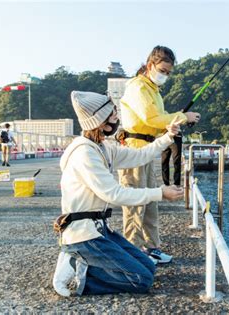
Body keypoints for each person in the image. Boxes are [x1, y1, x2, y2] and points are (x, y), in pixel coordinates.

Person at [52, 91, 184, 297]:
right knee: (142, 280)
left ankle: (85, 262)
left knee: (149, 267)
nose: (117, 119)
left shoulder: (103, 147)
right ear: (101, 122)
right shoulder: (85, 153)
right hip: (83, 235)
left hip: (99, 230)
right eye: (113, 115)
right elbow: (114, 194)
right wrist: (159, 193)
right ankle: (79, 271)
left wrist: (168, 137)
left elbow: (141, 155)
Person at [119, 46, 201, 264]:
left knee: (151, 202)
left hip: (147, 150)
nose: (165, 75)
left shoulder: (153, 90)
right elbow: (152, 118)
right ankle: (133, 252)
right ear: (150, 65)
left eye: (168, 72)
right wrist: (184, 116)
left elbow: (159, 121)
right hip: (133, 151)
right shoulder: (138, 87)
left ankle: (152, 248)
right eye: (162, 70)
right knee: (135, 203)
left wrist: (177, 123)